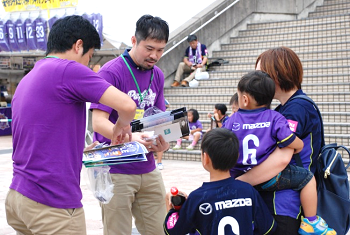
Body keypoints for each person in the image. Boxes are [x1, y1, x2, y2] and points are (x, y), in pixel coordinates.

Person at [5, 15, 136, 235]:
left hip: (19, 197)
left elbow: (39, 137)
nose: (88, 63)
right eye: (90, 55)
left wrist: (79, 151)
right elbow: (128, 106)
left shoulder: (29, 78)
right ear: (78, 46)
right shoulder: (67, 70)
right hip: (51, 203)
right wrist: (119, 127)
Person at [224, 70, 335, 235]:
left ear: (244, 99)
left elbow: (220, 143)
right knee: (307, 178)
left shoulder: (231, 120)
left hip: (240, 174)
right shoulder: (275, 117)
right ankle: (311, 222)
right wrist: (298, 146)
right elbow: (289, 141)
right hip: (271, 178)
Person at [90, 15, 170, 235]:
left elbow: (159, 119)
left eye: (160, 50)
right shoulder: (111, 71)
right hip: (116, 169)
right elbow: (98, 123)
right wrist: (131, 138)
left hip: (148, 166)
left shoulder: (158, 75)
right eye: (149, 48)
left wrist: (164, 142)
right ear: (134, 40)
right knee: (118, 231)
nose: (154, 55)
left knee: (160, 230)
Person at [163, 128, 276, 235]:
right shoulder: (248, 191)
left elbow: (173, 231)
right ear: (237, 157)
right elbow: (268, 227)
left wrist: (173, 210)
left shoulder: (197, 198)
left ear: (206, 158)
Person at [156, 98, 170, 170]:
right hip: (146, 122)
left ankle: (159, 162)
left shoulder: (160, 97)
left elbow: (168, 104)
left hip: (159, 122)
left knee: (160, 142)